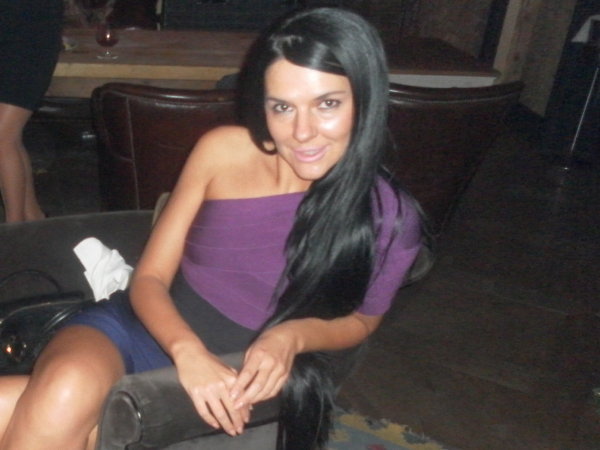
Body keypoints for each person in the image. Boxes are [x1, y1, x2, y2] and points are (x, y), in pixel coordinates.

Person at [0, 7, 427, 449]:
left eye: (327, 104)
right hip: (140, 330)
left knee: (38, 415)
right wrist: (187, 352)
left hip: (238, 373)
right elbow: (149, 277)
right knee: (65, 390)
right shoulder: (222, 151)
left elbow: (362, 321)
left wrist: (290, 336)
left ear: (366, 99)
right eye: (282, 107)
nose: (302, 132)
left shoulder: (389, 216)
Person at [0, 0, 64, 223]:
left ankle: (15, 228)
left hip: (29, 46)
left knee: (3, 139)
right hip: (13, 42)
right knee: (10, 139)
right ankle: (33, 218)